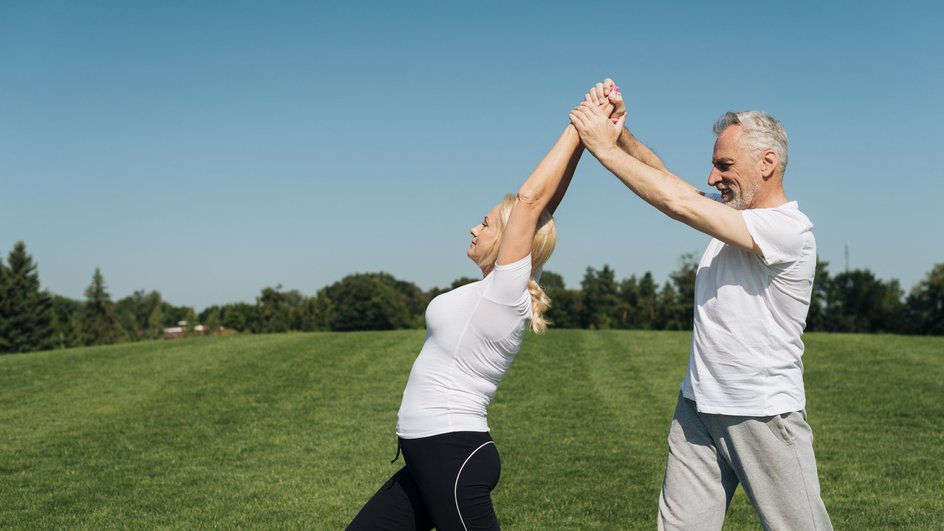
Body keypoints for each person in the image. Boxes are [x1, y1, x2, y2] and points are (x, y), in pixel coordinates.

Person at [569, 79, 832, 530]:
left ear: (767, 163)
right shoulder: (733, 216)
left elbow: (678, 203)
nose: (713, 178)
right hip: (697, 406)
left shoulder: (789, 230)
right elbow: (671, 184)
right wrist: (620, 133)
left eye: (724, 165)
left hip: (762, 412)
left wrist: (603, 150)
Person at [347, 100, 604, 530]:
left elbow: (530, 201)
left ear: (507, 239)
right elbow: (546, 204)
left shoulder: (505, 292)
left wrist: (578, 122)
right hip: (431, 457)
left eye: (484, 223)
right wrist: (586, 138)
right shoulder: (498, 290)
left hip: (451, 453)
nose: (473, 228)